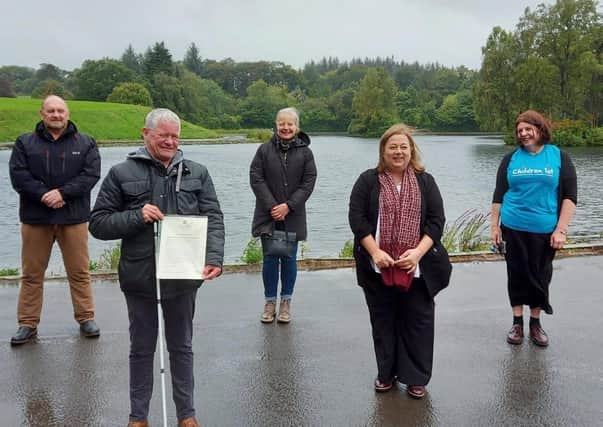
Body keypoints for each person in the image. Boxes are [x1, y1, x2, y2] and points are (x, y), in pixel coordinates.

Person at [89, 108, 224, 427]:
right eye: (163, 134)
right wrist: (137, 216)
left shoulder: (198, 172)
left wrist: (214, 257)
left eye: (175, 135)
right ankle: (138, 416)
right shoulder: (121, 173)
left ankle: (187, 414)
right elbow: (98, 223)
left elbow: (213, 217)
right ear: (145, 134)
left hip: (183, 277)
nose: (170, 140)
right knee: (142, 348)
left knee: (182, 347)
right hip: (140, 277)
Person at [348, 124, 451, 399]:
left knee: (418, 322)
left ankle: (416, 377)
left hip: (417, 267)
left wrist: (417, 253)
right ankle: (386, 374)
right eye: (392, 146)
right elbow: (357, 220)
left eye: (403, 146)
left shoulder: (425, 181)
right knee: (383, 321)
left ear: (411, 150)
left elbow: (436, 222)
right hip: (378, 267)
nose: (398, 151)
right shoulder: (368, 181)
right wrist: (375, 252)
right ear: (383, 150)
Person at [8, 95, 101, 345]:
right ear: (42, 113)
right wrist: (44, 195)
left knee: (79, 272)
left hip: (73, 218)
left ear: (67, 113)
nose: (56, 115)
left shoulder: (86, 143)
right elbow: (19, 176)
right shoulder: (25, 143)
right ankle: (27, 323)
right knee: (31, 274)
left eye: (60, 110)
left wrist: (63, 193)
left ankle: (86, 318)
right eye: (51, 111)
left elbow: (90, 175)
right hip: (36, 218)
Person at [491, 110, 577, 348]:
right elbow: (499, 195)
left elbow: (570, 197)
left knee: (540, 275)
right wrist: (494, 227)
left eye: (528, 128)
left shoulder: (559, 157)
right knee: (516, 274)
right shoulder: (510, 159)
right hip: (513, 225)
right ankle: (517, 322)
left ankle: (535, 324)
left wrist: (561, 229)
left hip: (544, 228)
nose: (524, 133)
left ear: (540, 129)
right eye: (520, 130)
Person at [250, 107, 317, 324]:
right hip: (267, 214)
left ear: (297, 127)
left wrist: (288, 206)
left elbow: (308, 183)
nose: (286, 127)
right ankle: (270, 302)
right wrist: (273, 206)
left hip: (293, 214)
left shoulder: (306, 153)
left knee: (289, 258)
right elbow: (256, 178)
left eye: (290, 124)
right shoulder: (263, 150)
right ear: (276, 125)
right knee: (269, 258)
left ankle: (286, 302)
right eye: (282, 123)